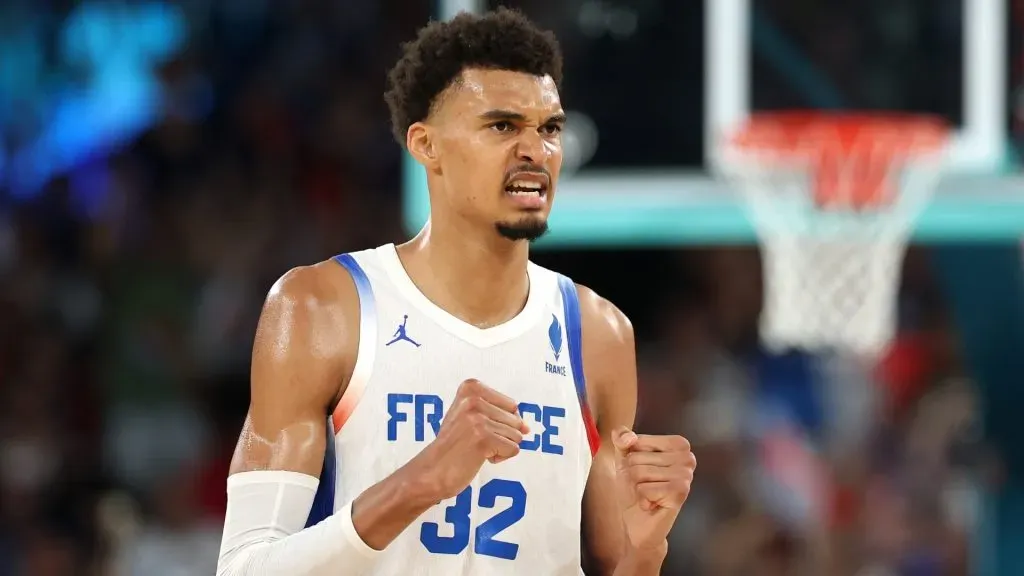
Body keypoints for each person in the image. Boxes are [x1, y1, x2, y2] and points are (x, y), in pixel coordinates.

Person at [216, 8, 696, 575]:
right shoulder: (326, 307)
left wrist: (645, 552)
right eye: (502, 126)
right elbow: (244, 568)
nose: (535, 151)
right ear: (426, 144)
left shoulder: (597, 333)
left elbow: (619, 565)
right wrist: (418, 483)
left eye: (549, 129)